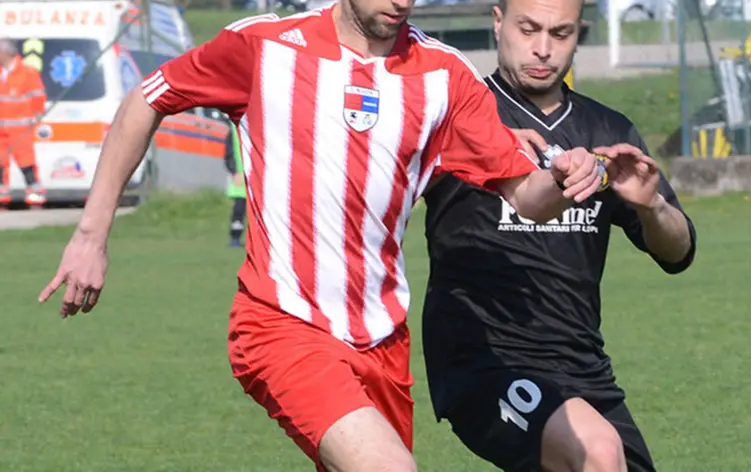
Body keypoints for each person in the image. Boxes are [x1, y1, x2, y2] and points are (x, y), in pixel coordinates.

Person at [37, 1, 611, 471]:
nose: (402, 2)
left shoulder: (444, 74)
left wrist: (566, 179)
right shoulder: (264, 46)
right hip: (282, 322)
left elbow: (524, 194)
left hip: (382, 339)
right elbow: (148, 98)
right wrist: (91, 233)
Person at [420, 0, 698, 471]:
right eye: (528, 29)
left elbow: (679, 253)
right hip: (482, 361)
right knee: (596, 453)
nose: (543, 49)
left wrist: (651, 206)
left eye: (560, 33)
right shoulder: (459, 116)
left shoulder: (607, 130)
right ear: (498, 22)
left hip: (584, 368)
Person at [0, 38, 47, 208]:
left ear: (6, 53)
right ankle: (2, 200)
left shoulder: (28, 73)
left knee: (27, 165)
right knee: (0, 166)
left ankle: (35, 199)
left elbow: (38, 98)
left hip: (20, 130)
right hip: (1, 131)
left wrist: (36, 117)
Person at [223, 120, 247, 248]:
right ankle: (235, 238)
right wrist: (234, 171)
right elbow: (229, 153)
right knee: (239, 210)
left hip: (255, 178)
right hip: (240, 178)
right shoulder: (233, 130)